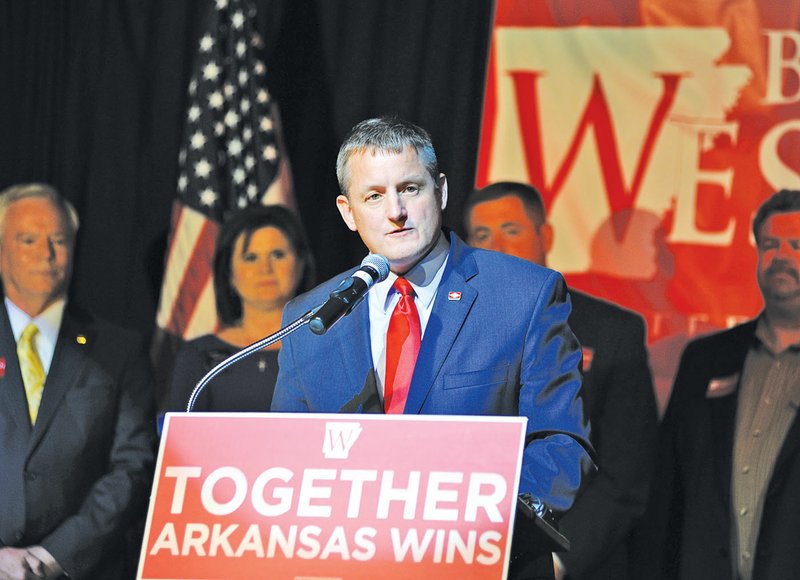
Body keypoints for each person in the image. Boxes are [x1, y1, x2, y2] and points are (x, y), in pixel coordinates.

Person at [271, 117, 593, 579]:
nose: (396, 211)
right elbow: (286, 460)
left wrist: (475, 523)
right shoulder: (312, 317)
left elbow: (562, 442)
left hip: (481, 561)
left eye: (410, 188)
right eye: (374, 197)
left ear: (439, 191)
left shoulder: (524, 295)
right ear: (347, 212)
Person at [463, 181, 658, 580]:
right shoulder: (449, 334)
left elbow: (626, 476)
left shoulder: (612, 333)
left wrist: (554, 561)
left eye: (511, 230)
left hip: (574, 565)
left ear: (545, 236)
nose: (496, 246)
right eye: (482, 235)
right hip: (468, 558)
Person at [637, 189, 800, 579]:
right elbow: (666, 490)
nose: (781, 257)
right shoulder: (705, 359)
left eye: (797, 245)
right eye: (769, 245)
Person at [0, 183, 156, 579]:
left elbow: (133, 468)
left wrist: (54, 555)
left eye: (58, 240)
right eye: (28, 239)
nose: (46, 254)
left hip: (82, 569)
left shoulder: (118, 349)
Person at [166, 204, 314, 412]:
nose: (265, 269)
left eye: (278, 254)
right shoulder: (199, 356)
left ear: (300, 264)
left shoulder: (324, 350)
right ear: (229, 273)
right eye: (250, 258)